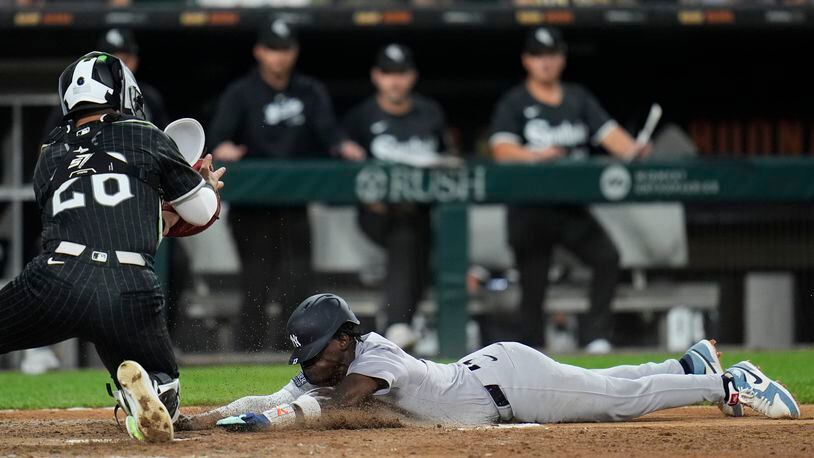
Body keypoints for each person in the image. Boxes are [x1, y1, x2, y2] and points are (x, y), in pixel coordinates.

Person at [0, 51, 226, 442]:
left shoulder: (49, 156)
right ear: (124, 92)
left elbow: (89, 222)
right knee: (165, 385)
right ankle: (147, 391)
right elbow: (202, 211)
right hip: (129, 283)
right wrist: (201, 187)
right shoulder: (144, 133)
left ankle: (136, 385)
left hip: (57, 278)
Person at [177, 293, 797, 431]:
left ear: (343, 338)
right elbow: (279, 396)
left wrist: (277, 422)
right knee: (600, 382)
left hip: (510, 385)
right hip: (492, 372)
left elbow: (335, 407)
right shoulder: (330, 365)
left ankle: (727, 383)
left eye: (318, 354)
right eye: (305, 361)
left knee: (613, 402)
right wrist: (199, 422)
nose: (311, 368)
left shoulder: (371, 358)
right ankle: (685, 367)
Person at [489, 27, 651, 354]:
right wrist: (536, 155)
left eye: (551, 55)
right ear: (527, 61)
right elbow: (501, 150)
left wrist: (634, 149)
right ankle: (530, 349)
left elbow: (612, 138)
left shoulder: (578, 98)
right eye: (538, 56)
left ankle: (596, 337)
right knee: (533, 282)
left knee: (607, 256)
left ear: (561, 58)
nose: (545, 62)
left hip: (569, 207)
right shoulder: (516, 101)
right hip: (529, 206)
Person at [208, 19, 364, 352]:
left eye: (285, 50)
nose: (279, 57)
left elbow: (330, 134)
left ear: (294, 52)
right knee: (257, 280)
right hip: (253, 203)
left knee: (298, 279)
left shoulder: (309, 91)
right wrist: (224, 148)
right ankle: (246, 352)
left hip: (294, 201)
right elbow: (218, 138)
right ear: (259, 52)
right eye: (272, 50)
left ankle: (297, 350)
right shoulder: (241, 92)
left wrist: (343, 146)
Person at [343, 44, 452, 349]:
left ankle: (405, 322)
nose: (395, 81)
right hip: (376, 214)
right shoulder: (361, 116)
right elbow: (344, 169)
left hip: (421, 211)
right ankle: (398, 324)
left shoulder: (430, 112)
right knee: (405, 232)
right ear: (376, 76)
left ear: (412, 76)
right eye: (388, 73)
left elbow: (448, 161)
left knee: (416, 229)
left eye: (401, 73)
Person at [43, 28, 170, 135]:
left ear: (135, 60)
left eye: (124, 60)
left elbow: (165, 139)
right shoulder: (79, 98)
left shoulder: (149, 98)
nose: (119, 67)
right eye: (111, 62)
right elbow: (48, 148)